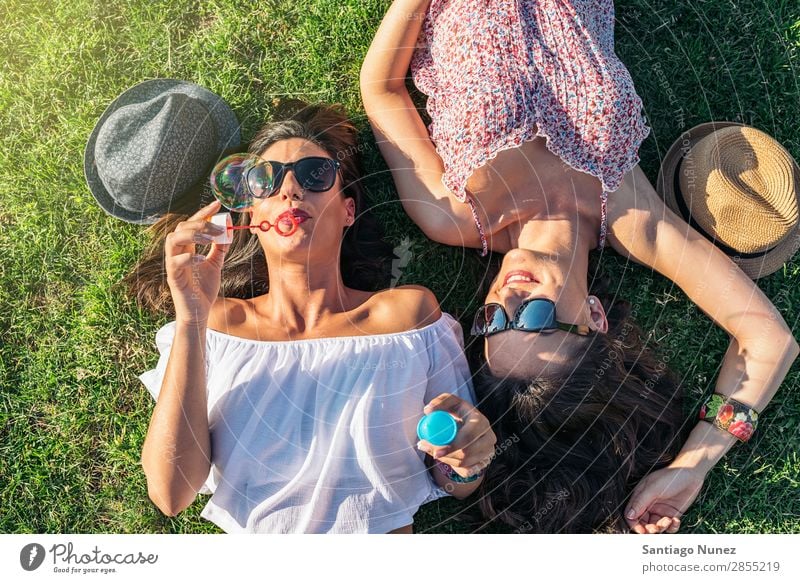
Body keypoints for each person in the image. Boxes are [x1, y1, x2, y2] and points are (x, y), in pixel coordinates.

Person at [360, 0, 799, 532]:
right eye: (538, 318)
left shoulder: (454, 216)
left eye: (493, 322)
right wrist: (693, 465)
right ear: (594, 316)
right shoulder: (635, 220)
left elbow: (382, 90)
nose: (509, 298)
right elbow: (769, 339)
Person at [127, 100, 497, 533]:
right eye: (266, 181)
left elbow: (453, 477)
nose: (290, 191)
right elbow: (171, 493)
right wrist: (191, 318)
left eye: (315, 175)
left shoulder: (407, 315)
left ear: (347, 211)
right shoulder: (213, 326)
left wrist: (468, 462)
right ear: (250, 212)